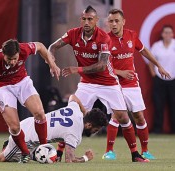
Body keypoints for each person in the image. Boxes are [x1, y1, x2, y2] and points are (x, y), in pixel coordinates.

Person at [48, 5, 148, 162]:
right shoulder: (73, 34)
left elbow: (101, 66)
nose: (86, 22)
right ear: (81, 19)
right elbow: (52, 46)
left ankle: (135, 155)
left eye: (90, 19)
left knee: (122, 117)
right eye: (84, 19)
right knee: (71, 115)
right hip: (87, 84)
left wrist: (77, 69)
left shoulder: (103, 38)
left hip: (108, 82)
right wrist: (51, 62)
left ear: (96, 20)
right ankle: (59, 154)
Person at [0, 39, 61, 163]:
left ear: (19, 53)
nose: (13, 62)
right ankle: (25, 153)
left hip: (22, 82)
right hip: (2, 87)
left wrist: (52, 64)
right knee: (14, 127)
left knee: (40, 113)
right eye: (9, 59)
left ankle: (43, 147)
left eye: (15, 58)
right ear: (3, 54)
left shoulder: (23, 49)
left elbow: (40, 46)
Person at [102, 9, 171, 161]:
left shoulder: (131, 35)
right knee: (117, 116)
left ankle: (145, 150)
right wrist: (120, 72)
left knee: (139, 116)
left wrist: (158, 65)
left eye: (116, 21)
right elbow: (102, 65)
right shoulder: (105, 40)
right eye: (111, 21)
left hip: (131, 83)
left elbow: (143, 50)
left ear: (123, 22)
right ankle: (109, 151)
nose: (113, 24)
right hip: (113, 84)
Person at [0, 95, 108, 163]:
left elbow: (73, 97)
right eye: (96, 129)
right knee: (0, 158)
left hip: (30, 124)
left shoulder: (75, 110)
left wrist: (84, 110)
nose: (95, 132)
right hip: (27, 138)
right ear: (88, 125)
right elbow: (70, 160)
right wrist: (86, 158)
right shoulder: (76, 133)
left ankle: (10, 146)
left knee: (49, 157)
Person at [149, 25, 175, 133]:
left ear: (172, 34)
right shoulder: (156, 46)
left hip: (173, 79)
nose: (168, 35)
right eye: (166, 32)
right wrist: (153, 75)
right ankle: (157, 128)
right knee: (158, 104)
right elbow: (151, 61)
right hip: (159, 79)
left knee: (173, 105)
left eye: (170, 32)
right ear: (162, 34)